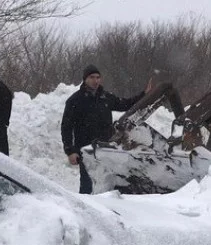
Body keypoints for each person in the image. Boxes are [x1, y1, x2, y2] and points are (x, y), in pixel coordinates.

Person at [61, 65, 152, 194]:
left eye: (98, 77)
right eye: (92, 77)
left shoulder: (105, 97)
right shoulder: (75, 100)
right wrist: (70, 151)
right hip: (86, 151)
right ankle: (84, 211)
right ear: (85, 79)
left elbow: (124, 104)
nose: (95, 80)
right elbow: (66, 127)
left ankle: (106, 210)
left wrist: (143, 95)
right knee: (88, 185)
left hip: (106, 149)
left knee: (107, 185)